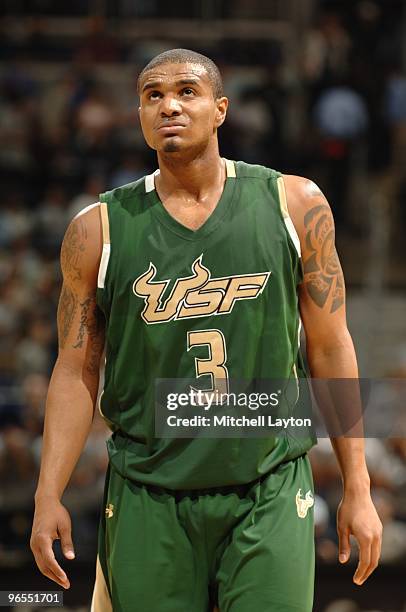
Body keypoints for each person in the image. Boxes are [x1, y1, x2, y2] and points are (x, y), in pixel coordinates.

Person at [30, 49, 382, 612]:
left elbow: (331, 345)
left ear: (220, 110)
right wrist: (48, 495)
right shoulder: (96, 230)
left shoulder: (295, 203)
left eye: (186, 92)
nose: (168, 105)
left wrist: (358, 489)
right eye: (152, 96)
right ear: (140, 117)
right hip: (148, 487)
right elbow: (75, 371)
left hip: (268, 482)